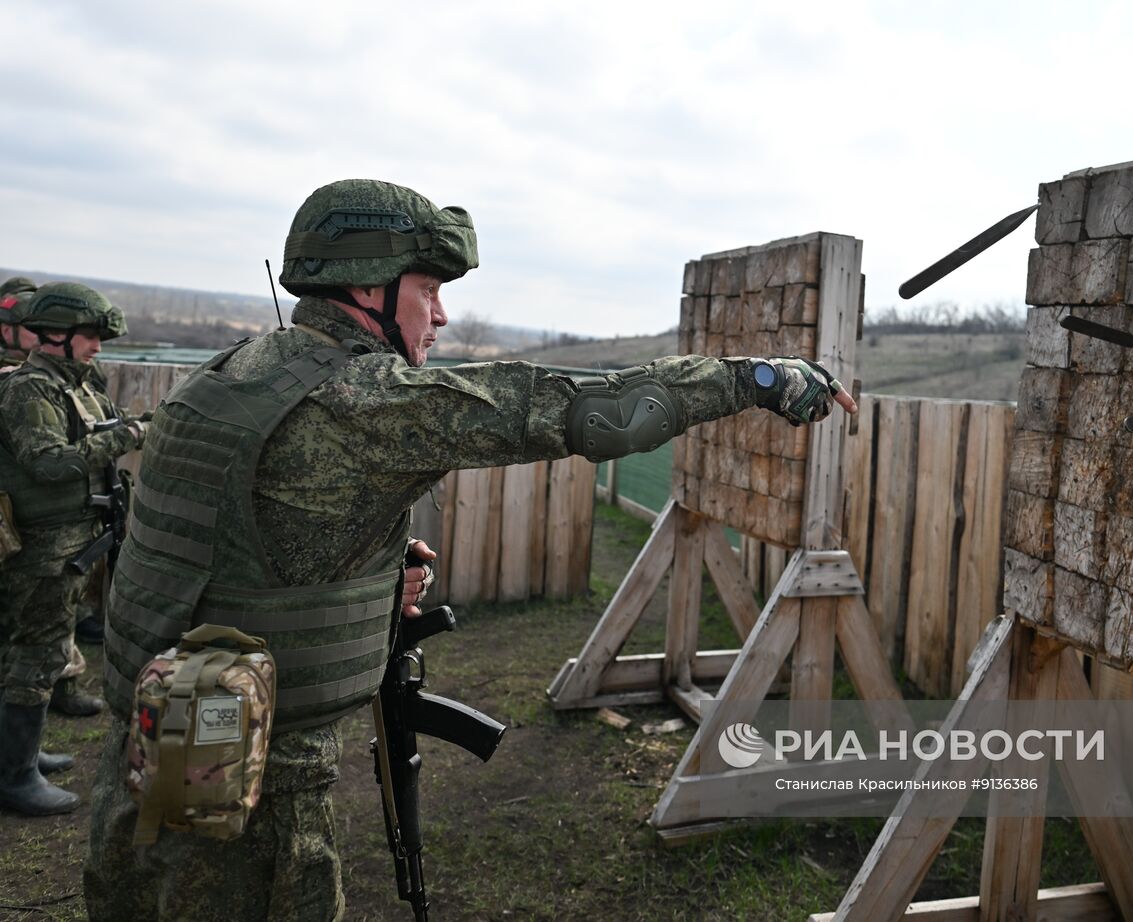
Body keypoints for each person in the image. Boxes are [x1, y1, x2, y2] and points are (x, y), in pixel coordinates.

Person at [83, 178, 856, 921]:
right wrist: (763, 378)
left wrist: (361, 567)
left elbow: (234, 541)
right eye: (428, 290)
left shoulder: (232, 376)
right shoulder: (360, 400)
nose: (442, 315)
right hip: (248, 787)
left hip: (155, 745)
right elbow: (605, 410)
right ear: (367, 289)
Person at [0, 282, 143, 816]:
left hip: (68, 540)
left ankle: (22, 756)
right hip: (41, 545)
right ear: (55, 335)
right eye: (89, 337)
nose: (97, 348)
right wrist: (125, 435)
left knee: (40, 649)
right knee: (36, 655)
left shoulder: (73, 386)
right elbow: (51, 463)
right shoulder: (29, 390)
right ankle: (14, 777)